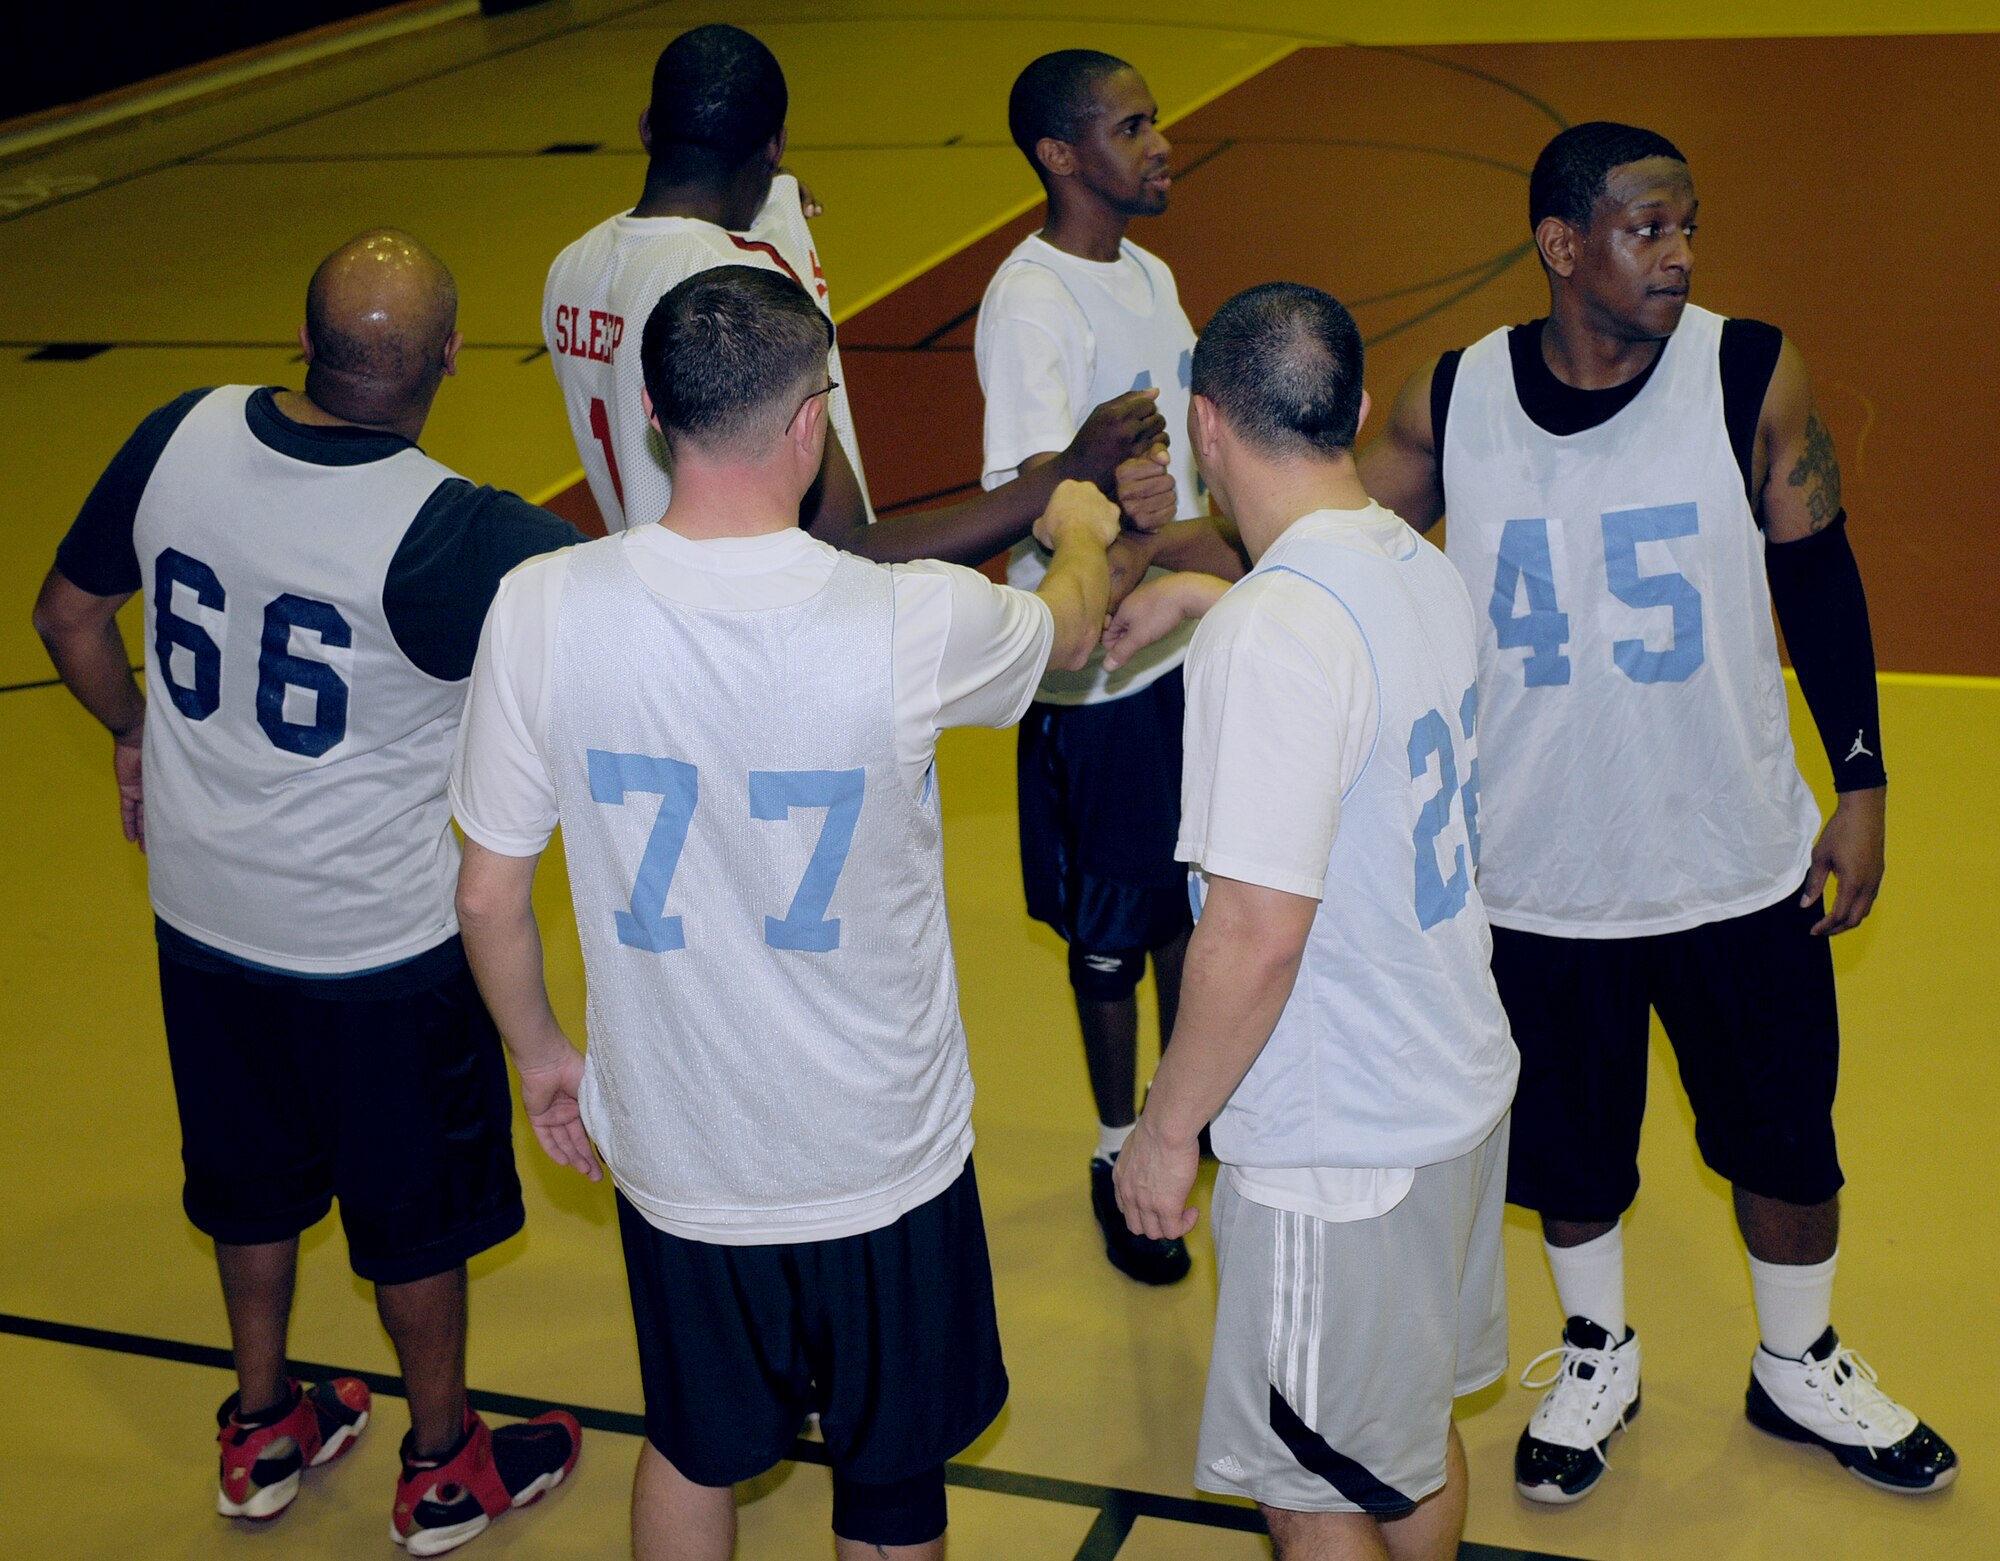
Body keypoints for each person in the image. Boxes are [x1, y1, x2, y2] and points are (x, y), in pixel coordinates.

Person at [451, 264, 1125, 1561]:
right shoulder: (912, 616)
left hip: (681, 1153)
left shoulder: (544, 606)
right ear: (810, 421)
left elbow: (487, 892)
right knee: (889, 1484)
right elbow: (1072, 630)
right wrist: (1082, 528)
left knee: (698, 1445)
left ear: (652, 409)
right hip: (880, 1155)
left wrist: (545, 1066)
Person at [1359, 121, 1957, 1500]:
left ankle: (1797, 1363)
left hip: (1735, 854)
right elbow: (1328, 535)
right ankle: (1596, 1348)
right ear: (1562, 246)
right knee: (1573, 1150)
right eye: (1646, 227)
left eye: (1689, 224)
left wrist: (1861, 778)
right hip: (1536, 868)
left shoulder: (1750, 369)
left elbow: (1821, 576)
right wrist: (1163, 543)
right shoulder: (1452, 400)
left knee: (1788, 1138)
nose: (1679, 252)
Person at [30, 230, 584, 1554]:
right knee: (415, 1214)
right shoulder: (455, 531)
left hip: (206, 919)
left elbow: (64, 614)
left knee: (247, 1176)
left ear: (304, 344)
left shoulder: (183, 431)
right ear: (450, 358)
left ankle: (263, 1420)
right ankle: (444, 1461)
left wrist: (136, 730)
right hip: (375, 951)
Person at [1105, 282, 1517, 1561]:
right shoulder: (1409, 560)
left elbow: (1251, 935)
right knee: (1404, 1437)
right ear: (1347, 409)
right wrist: (1202, 602)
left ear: (1203, 423)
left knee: (1309, 1485)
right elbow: (1354, 702)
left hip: (1336, 1145)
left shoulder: (1277, 632)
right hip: (1446, 1091)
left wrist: (1165, 1132)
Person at [975, 48, 1246, 1285]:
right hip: (1093, 681)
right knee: (1105, 935)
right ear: (1059, 154)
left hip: (1183, 646)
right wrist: (1124, 519)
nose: (1160, 142)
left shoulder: (1149, 273)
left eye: (1156, 117)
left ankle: (1184, 1113)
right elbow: (1031, 495)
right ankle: (1108, 1144)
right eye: (1131, 126)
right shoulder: (1029, 301)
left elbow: (1175, 460)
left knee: (1190, 897)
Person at [544, 22, 1164, 555]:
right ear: (775, 143)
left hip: (657, 598)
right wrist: (1068, 472)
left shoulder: (571, 268)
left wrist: (774, 182)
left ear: (648, 129)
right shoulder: (734, 294)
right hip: (760, 637)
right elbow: (845, 547)